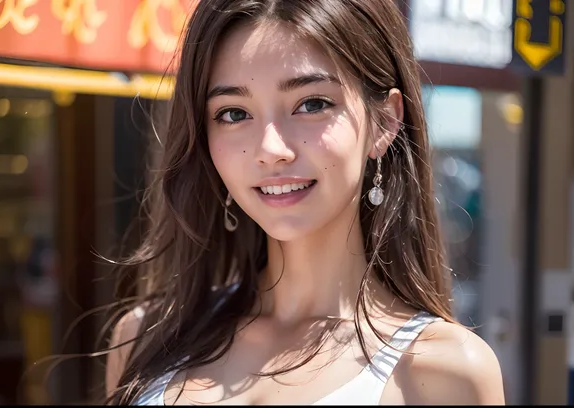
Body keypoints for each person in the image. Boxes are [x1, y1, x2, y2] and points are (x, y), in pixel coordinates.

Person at [102, 0, 506, 405]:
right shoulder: (144, 338)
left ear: (384, 122)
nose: (270, 149)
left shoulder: (442, 371)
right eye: (233, 113)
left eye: (312, 104)